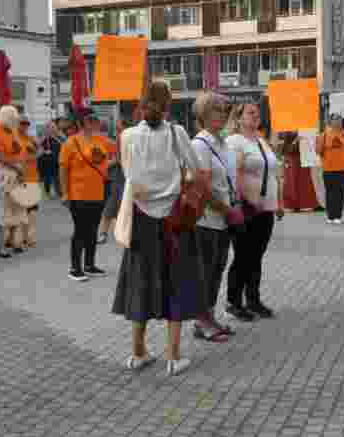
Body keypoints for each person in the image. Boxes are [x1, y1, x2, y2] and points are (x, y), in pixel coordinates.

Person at [112, 81, 205, 376]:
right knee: (175, 281)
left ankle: (138, 352)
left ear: (141, 105)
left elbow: (129, 175)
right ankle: (173, 356)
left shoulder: (126, 136)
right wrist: (182, 181)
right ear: (168, 106)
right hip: (174, 221)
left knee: (140, 280)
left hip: (141, 219)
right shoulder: (178, 134)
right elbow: (196, 171)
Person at [225, 99, 283, 321]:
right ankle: (234, 301)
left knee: (256, 256)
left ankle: (253, 299)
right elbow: (235, 174)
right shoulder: (234, 142)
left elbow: (272, 171)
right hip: (246, 208)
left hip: (265, 208)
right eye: (250, 113)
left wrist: (277, 201)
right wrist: (249, 197)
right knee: (243, 256)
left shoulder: (260, 140)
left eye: (257, 113)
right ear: (238, 118)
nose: (255, 116)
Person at [190, 92, 241, 341]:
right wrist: (227, 210)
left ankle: (209, 317)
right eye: (216, 110)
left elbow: (229, 181)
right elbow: (203, 189)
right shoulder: (200, 145)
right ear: (203, 115)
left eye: (224, 110)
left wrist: (235, 205)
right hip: (206, 220)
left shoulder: (222, 143)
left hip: (222, 218)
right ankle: (201, 321)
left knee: (216, 270)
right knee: (205, 273)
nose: (221, 115)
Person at [59, 110, 110, 281]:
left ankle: (89, 264)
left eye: (96, 119)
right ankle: (75, 267)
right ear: (82, 123)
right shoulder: (71, 142)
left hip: (98, 193)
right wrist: (65, 193)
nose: (95, 122)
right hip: (78, 193)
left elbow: (120, 150)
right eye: (91, 120)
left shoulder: (102, 139)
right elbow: (63, 169)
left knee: (93, 230)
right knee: (80, 230)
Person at [0, 105, 28, 259]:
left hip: (15, 173)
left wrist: (20, 170)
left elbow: (20, 153)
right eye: (13, 118)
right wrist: (17, 168)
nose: (16, 121)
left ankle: (14, 242)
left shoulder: (13, 133)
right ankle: (1, 246)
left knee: (17, 209)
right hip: (3, 175)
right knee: (2, 211)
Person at [99, 118, 128, 244]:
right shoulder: (120, 139)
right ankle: (104, 234)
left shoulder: (122, 139)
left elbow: (118, 160)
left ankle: (106, 234)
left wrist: (104, 164)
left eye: (118, 127)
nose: (116, 130)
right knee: (112, 208)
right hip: (119, 179)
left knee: (116, 208)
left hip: (121, 179)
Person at [316, 114, 344, 224]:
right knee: (330, 193)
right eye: (335, 120)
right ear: (330, 122)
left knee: (340, 193)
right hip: (328, 168)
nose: (338, 122)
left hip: (342, 168)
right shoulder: (324, 135)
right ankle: (330, 216)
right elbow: (318, 150)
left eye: (339, 120)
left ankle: (338, 216)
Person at [280, 131, 321, 212]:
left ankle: (310, 203)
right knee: (293, 182)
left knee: (305, 182)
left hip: (303, 158)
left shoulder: (304, 129)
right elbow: (286, 149)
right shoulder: (287, 132)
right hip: (293, 160)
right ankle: (294, 205)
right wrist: (296, 140)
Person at [15, 115, 39, 249]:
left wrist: (35, 151)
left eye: (26, 124)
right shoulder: (14, 139)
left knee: (32, 211)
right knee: (21, 210)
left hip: (33, 178)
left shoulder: (31, 139)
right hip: (20, 178)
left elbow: (37, 154)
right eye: (22, 124)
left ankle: (30, 237)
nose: (24, 126)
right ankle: (20, 238)